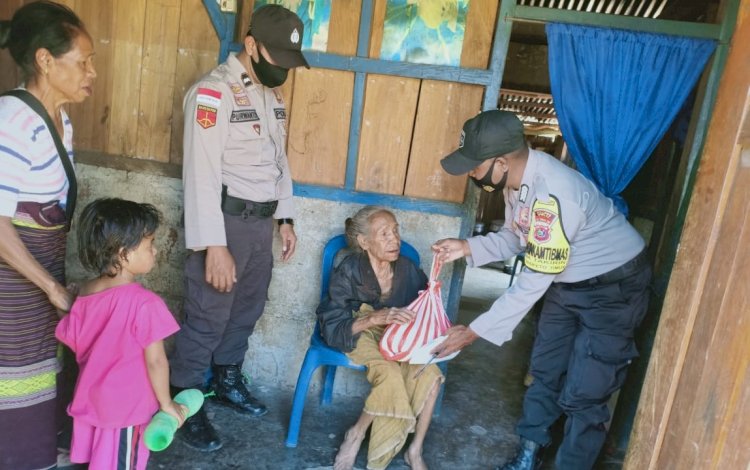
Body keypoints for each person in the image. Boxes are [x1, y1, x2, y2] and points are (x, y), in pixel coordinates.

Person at [431, 110, 651, 470]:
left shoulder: (553, 193)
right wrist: (467, 247)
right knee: (545, 368)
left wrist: (473, 331)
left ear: (502, 161)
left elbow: (532, 281)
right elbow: (516, 237)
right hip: (567, 282)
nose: (470, 172)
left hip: (614, 289)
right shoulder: (517, 183)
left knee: (587, 390)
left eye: (474, 165)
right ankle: (529, 454)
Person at [169, 4, 308, 451]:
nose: (283, 71)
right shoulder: (214, 93)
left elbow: (278, 161)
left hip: (261, 225)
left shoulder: (271, 97)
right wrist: (214, 245)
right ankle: (184, 401)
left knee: (246, 310)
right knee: (208, 316)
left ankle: (226, 381)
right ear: (250, 45)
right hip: (225, 224)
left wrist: (284, 218)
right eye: (278, 59)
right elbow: (201, 173)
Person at [0, 2, 96, 468]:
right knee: (12, 373)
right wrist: (50, 285)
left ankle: (35, 451)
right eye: (82, 61)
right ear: (44, 59)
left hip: (38, 272)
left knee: (41, 370)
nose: (91, 72)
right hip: (13, 283)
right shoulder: (11, 121)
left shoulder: (59, 120)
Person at [55, 198, 186, 469]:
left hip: (92, 401)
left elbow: (72, 337)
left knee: (101, 459)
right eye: (150, 245)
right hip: (125, 410)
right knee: (122, 462)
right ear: (125, 254)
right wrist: (166, 404)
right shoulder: (145, 304)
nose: (156, 251)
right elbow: (157, 361)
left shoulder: (85, 293)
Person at [317, 206, 443, 470]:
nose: (394, 240)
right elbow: (332, 325)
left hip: (396, 334)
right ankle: (356, 434)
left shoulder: (407, 268)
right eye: (384, 234)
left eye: (395, 231)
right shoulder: (349, 270)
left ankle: (415, 450)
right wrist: (374, 318)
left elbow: (422, 309)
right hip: (360, 329)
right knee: (389, 374)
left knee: (430, 375)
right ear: (364, 242)